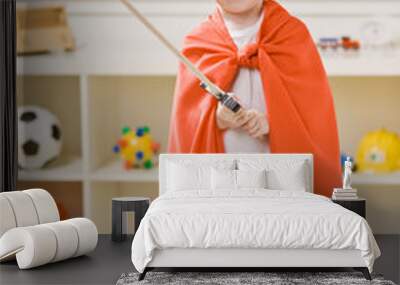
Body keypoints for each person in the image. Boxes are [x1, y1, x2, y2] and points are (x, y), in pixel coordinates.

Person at [168, 0, 341, 197]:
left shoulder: (292, 34)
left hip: (282, 185)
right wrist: (217, 119)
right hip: (221, 186)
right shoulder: (198, 41)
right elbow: (186, 122)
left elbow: (314, 113)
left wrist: (272, 123)